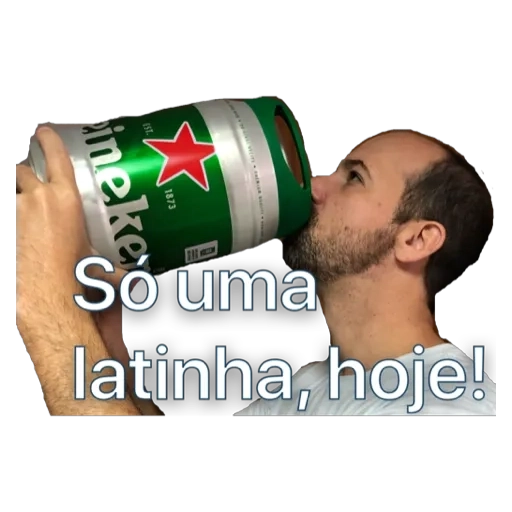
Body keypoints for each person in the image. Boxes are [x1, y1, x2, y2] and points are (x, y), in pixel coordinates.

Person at [16, 126, 496, 416]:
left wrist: (45, 306)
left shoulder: (444, 404)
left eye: (355, 178)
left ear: (416, 240)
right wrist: (103, 332)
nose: (316, 186)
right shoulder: (313, 387)